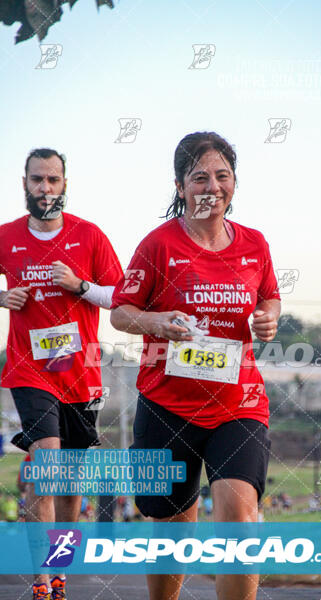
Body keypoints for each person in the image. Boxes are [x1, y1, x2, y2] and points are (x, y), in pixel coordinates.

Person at [111, 131, 281, 600]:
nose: (212, 186)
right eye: (200, 177)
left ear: (234, 182)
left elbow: (269, 295)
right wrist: (158, 321)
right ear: (181, 185)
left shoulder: (254, 243)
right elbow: (121, 311)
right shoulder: (158, 245)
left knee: (238, 519)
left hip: (238, 403)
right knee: (172, 529)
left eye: (222, 176)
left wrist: (268, 319)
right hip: (168, 406)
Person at [0, 148, 123, 600]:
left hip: (80, 375)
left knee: (70, 487)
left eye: (53, 180)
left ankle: (58, 569)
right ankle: (39, 579)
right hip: (29, 369)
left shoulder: (89, 236)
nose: (45, 188)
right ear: (25, 183)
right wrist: (1, 297)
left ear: (64, 185)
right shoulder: (7, 236)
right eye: (37, 180)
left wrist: (81, 286)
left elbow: (121, 296)